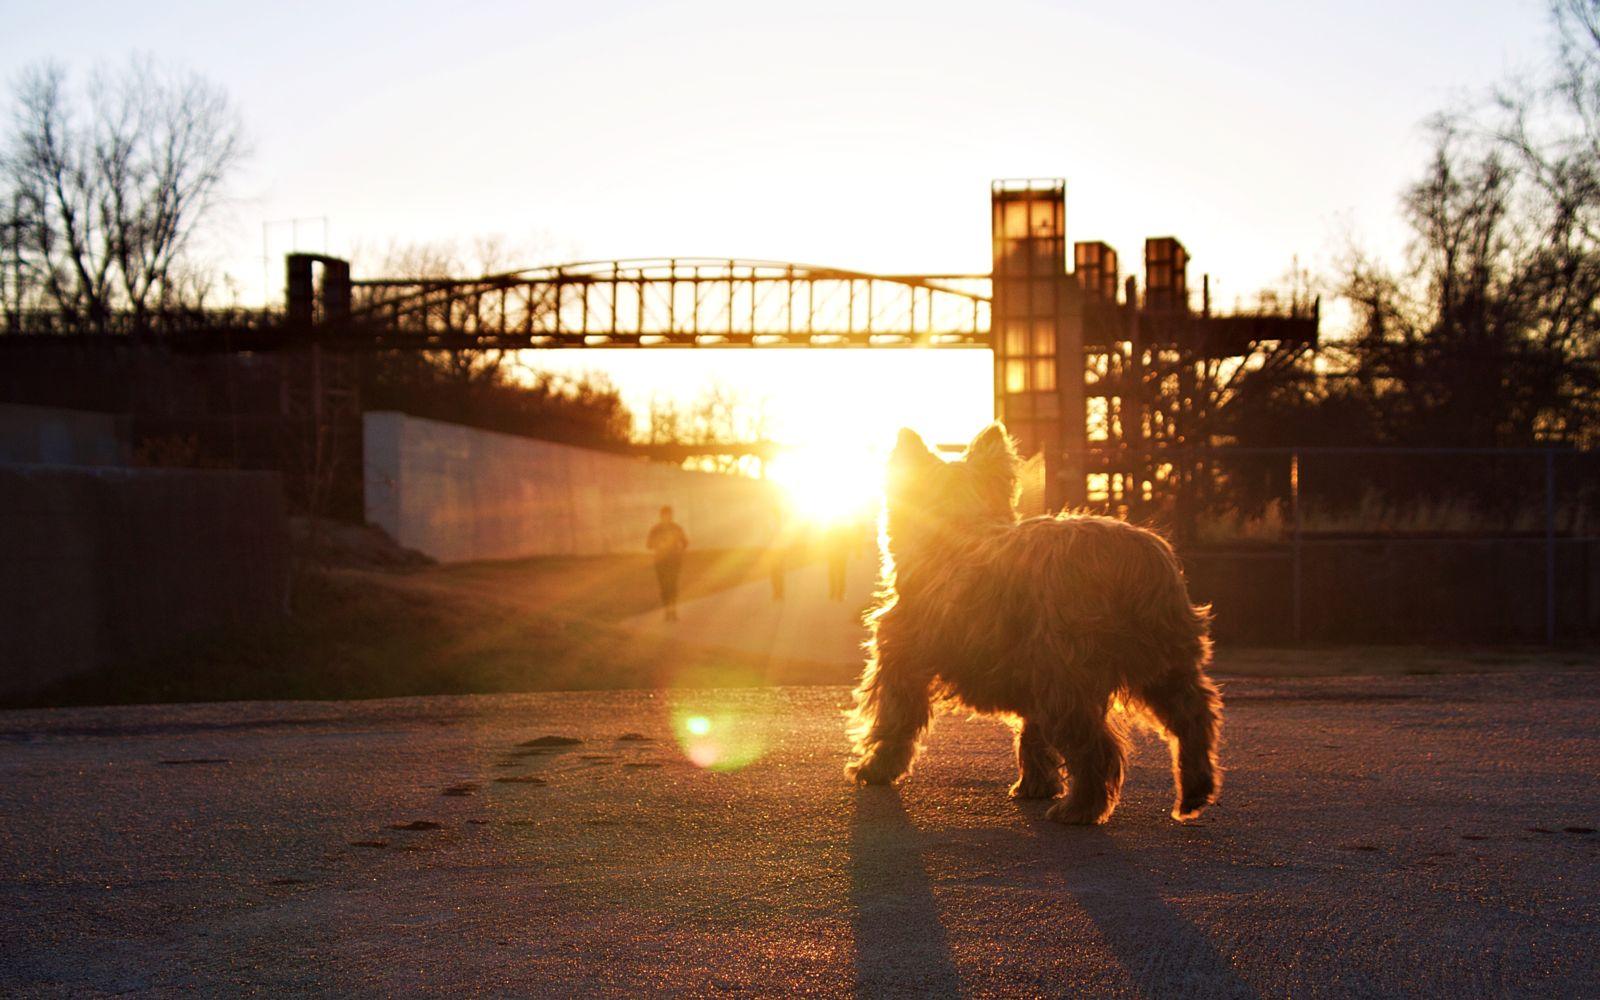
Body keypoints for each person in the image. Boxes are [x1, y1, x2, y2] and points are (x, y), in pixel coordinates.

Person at [646, 505, 688, 622]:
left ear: (671, 516)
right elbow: (648, 545)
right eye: (665, 515)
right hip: (660, 562)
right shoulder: (656, 529)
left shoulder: (677, 528)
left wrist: (680, 546)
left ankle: (673, 611)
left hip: (674, 561)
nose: (667, 517)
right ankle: (666, 612)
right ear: (661, 516)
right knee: (664, 587)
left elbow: (685, 542)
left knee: (673, 586)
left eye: (669, 515)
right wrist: (658, 544)